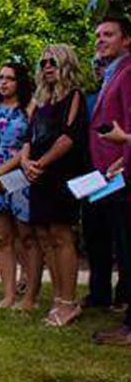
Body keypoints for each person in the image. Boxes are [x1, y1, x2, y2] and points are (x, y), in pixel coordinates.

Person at [13, 45, 88, 327]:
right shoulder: (41, 101)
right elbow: (29, 137)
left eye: (52, 62)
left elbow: (68, 138)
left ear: (65, 63)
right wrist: (26, 162)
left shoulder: (74, 96)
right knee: (44, 236)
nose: (47, 67)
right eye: (43, 62)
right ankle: (58, 298)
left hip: (61, 174)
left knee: (61, 234)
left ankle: (68, 302)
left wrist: (40, 163)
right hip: (38, 175)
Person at [0, 62, 38, 309]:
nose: (3, 83)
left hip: (18, 175)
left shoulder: (30, 108)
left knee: (26, 236)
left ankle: (29, 296)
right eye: (0, 77)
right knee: (2, 238)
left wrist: (3, 171)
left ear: (20, 82)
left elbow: (31, 142)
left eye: (10, 78)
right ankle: (8, 294)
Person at [83, 17, 131, 313]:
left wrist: (123, 159)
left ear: (126, 40)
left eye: (108, 34)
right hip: (103, 173)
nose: (100, 39)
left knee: (125, 245)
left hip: (121, 172)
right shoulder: (111, 75)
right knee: (108, 241)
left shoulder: (127, 74)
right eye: (98, 35)